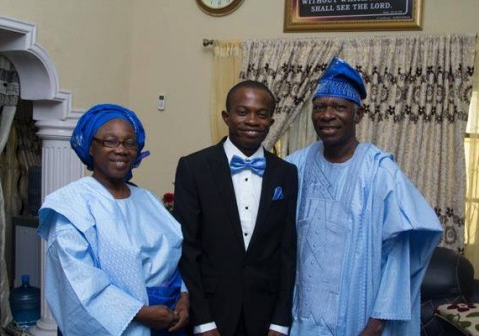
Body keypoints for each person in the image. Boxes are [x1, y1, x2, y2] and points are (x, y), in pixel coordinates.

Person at [286, 57, 443, 336]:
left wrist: (377, 322)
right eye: (320, 107)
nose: (327, 115)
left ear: (358, 114)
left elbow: (399, 252)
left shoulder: (381, 173)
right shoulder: (295, 166)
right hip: (301, 315)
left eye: (339, 107)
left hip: (358, 316)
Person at [37, 104, 189, 336]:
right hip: (121, 323)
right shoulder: (72, 205)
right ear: (90, 146)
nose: (121, 150)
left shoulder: (146, 199)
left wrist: (185, 298)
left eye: (129, 143)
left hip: (169, 321)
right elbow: (77, 282)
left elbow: (177, 254)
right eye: (110, 141)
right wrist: (141, 313)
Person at [173, 80, 298, 336]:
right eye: (243, 112)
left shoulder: (286, 173)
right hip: (211, 312)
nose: (252, 120)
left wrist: (280, 322)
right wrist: (203, 321)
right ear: (226, 117)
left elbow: (288, 252)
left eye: (261, 114)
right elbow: (188, 247)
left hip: (265, 316)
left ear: (271, 122)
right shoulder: (194, 167)